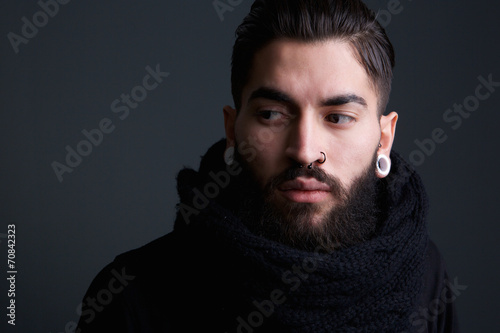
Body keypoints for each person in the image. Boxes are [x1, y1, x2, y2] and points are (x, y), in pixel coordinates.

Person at [77, 0, 459, 332]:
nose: (305, 151)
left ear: (384, 138)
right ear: (232, 129)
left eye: (338, 117)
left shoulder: (424, 275)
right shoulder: (130, 295)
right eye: (273, 114)